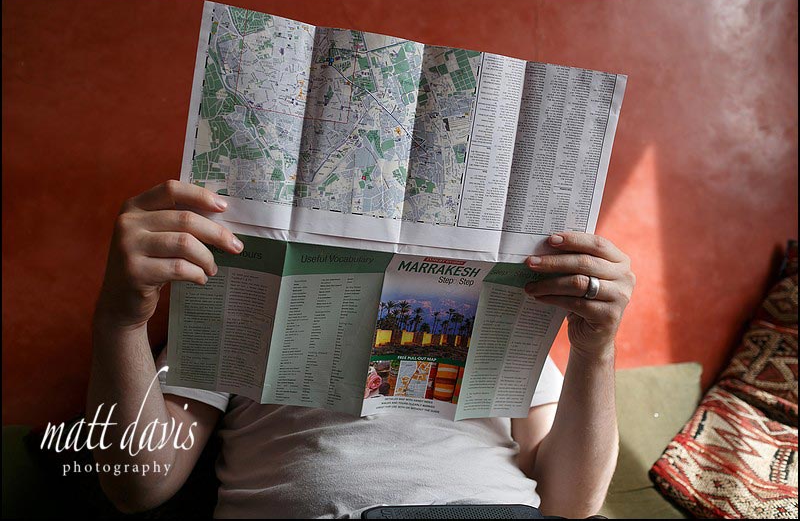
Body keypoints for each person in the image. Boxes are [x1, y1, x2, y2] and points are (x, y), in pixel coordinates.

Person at [87, 180, 636, 519]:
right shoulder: (242, 293)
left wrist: (596, 349)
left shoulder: (497, 300)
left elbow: (572, 502)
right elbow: (140, 484)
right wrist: (121, 323)